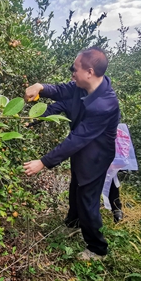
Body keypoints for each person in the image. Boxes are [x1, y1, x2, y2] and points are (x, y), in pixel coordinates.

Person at [23, 47, 120, 261]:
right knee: (75, 188)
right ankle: (73, 224)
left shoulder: (106, 104)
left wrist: (43, 162)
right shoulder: (82, 87)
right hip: (81, 151)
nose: (72, 73)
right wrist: (40, 87)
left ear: (90, 71)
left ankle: (97, 248)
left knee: (87, 199)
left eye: (74, 69)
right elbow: (59, 91)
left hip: (95, 157)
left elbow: (77, 139)